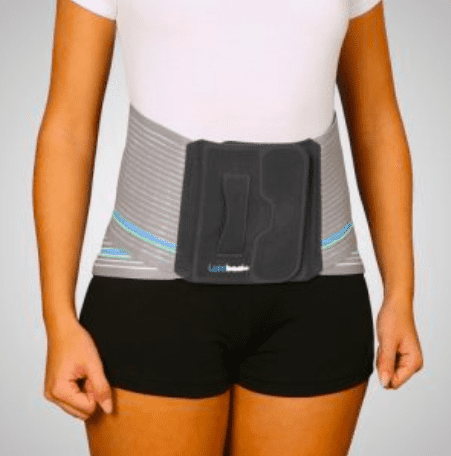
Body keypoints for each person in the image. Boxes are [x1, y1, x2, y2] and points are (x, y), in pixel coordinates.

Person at [33, 0, 423, 454]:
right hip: (154, 290)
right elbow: (68, 129)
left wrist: (400, 293)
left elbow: (377, 120)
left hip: (318, 294)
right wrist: (58, 318)